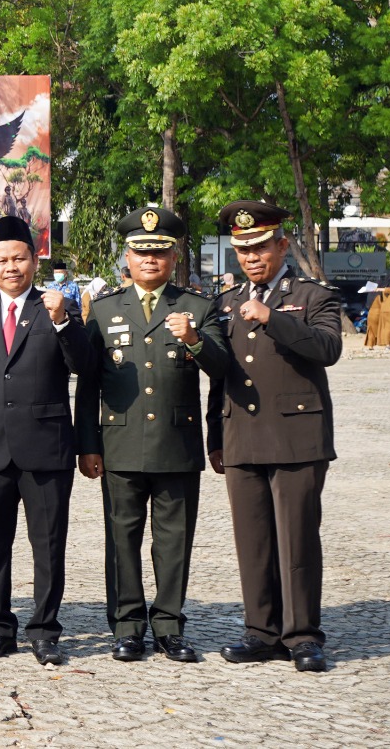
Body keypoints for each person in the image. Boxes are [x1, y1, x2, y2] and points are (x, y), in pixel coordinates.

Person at [76, 208, 230, 664]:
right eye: (141, 252)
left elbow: (223, 371)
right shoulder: (104, 310)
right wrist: (87, 443)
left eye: (159, 252)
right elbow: (88, 383)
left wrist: (196, 341)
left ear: (174, 255)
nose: (150, 260)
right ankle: (127, 626)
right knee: (121, 539)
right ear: (127, 256)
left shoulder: (198, 307)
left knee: (174, 540)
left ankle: (168, 625)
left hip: (176, 445)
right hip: (119, 446)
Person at [0, 215, 93, 666]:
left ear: (35, 260)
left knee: (48, 543)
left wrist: (63, 322)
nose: (12, 267)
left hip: (46, 447)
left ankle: (45, 630)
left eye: (20, 258)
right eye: (2, 259)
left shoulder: (56, 308)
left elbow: (84, 366)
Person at [211, 201, 341, 673]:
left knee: (297, 538)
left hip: (296, 437)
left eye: (260, 246)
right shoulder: (225, 302)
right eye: (242, 249)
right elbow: (219, 376)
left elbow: (328, 348)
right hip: (241, 433)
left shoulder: (312, 296)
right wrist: (214, 436)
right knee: (254, 540)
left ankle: (303, 635)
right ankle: (260, 631)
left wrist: (272, 317)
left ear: (282, 245)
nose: (250, 256)